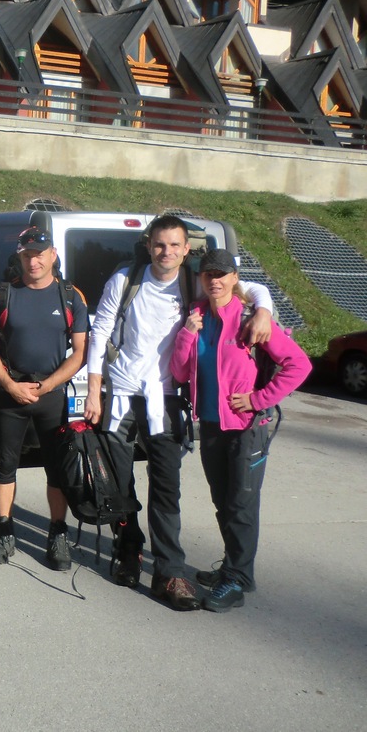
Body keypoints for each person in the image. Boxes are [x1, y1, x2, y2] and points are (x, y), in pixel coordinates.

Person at [85, 214, 274, 610]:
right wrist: (93, 392)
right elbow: (100, 331)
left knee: (166, 488)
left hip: (167, 399)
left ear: (187, 249)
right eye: (159, 244)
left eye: (174, 245)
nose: (166, 252)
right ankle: (128, 549)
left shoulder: (194, 282)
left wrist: (264, 310)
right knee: (118, 484)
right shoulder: (125, 280)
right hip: (121, 394)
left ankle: (169, 571)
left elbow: (247, 287)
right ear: (148, 245)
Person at [169, 248, 310, 612]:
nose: (214, 280)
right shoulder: (197, 316)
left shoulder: (251, 319)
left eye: (221, 274)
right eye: (208, 274)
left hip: (247, 428)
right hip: (210, 425)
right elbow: (180, 372)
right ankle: (233, 568)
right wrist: (187, 334)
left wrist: (259, 399)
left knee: (241, 505)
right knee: (223, 502)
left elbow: (299, 364)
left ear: (234, 278)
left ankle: (237, 580)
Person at [0, 227, 89, 571]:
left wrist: (48, 385)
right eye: (27, 255)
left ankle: (57, 533)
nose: (33, 261)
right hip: (12, 393)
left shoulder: (70, 296)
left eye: (39, 254)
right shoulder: (4, 293)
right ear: (20, 257)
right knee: (6, 466)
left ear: (52, 255)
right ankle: (4, 531)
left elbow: (80, 352)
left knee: (56, 469)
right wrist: (10, 385)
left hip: (51, 395)